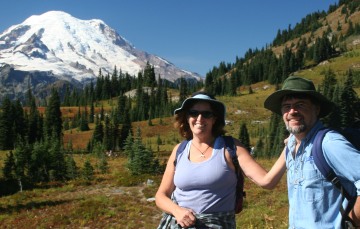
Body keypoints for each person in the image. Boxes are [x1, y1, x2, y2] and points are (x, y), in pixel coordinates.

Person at [155, 91, 286, 228]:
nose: (199, 118)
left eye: (206, 114)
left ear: (214, 119)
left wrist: (289, 148)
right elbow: (161, 196)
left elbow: (267, 181)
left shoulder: (230, 147)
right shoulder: (179, 150)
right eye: (193, 113)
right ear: (187, 117)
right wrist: (177, 210)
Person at [264, 75, 360, 228]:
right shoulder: (291, 146)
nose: (292, 111)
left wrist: (351, 222)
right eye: (286, 106)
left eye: (300, 105)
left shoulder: (330, 143)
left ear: (316, 109)